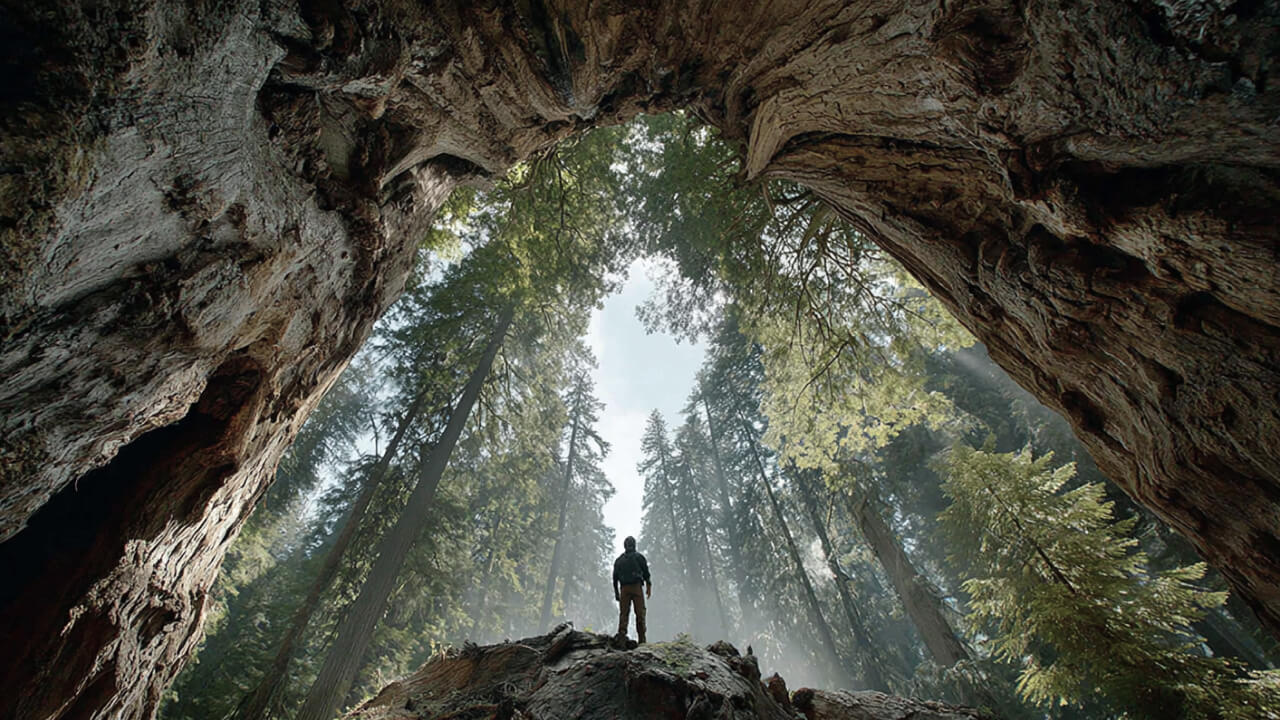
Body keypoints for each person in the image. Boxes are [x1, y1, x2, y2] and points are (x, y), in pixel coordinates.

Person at [612, 535, 651, 643]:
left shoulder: (619, 560)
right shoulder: (639, 557)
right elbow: (646, 573)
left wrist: (616, 592)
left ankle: (622, 638)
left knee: (624, 614)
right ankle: (641, 639)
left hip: (625, 589)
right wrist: (648, 585)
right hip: (635, 588)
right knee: (639, 613)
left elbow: (615, 578)